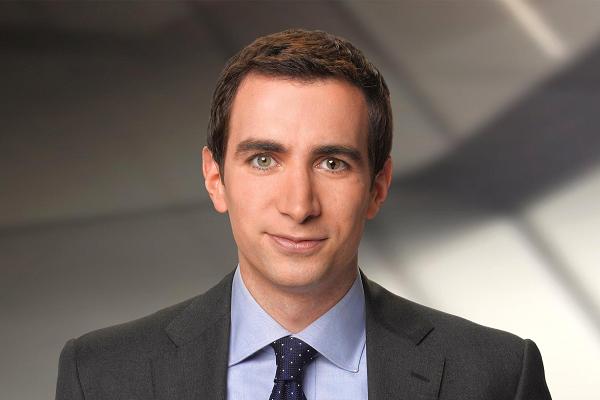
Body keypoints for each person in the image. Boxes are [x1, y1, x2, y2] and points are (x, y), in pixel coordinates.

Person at [55, 29, 552, 400]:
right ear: (215, 178)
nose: (298, 206)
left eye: (332, 163)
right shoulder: (100, 376)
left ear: (377, 187)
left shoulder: (497, 377)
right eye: (263, 160)